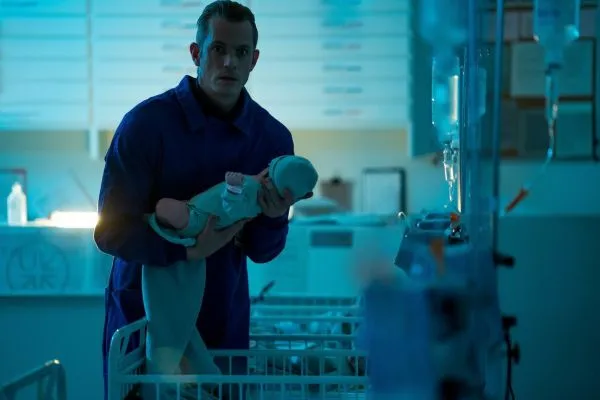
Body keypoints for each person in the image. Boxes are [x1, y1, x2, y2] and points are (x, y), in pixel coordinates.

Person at [94, 1, 309, 396]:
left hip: (220, 316)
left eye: (241, 52)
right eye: (218, 49)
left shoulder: (272, 139)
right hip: (143, 318)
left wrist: (275, 215)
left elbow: (263, 251)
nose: (229, 62)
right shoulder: (145, 125)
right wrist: (186, 251)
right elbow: (109, 232)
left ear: (254, 60)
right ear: (196, 53)